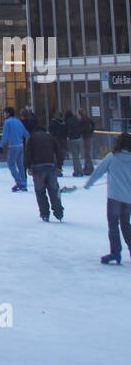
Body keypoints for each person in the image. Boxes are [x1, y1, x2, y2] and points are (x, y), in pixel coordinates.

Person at [84, 132, 131, 264]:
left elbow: (98, 171)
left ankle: (115, 252)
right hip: (128, 198)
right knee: (126, 223)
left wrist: (88, 184)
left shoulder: (112, 157)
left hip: (114, 197)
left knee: (113, 224)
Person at [24, 122, 64, 222]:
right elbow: (59, 151)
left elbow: (28, 153)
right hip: (50, 166)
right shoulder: (50, 137)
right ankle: (59, 212)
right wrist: (59, 165)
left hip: (37, 168)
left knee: (40, 191)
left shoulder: (32, 138)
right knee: (54, 190)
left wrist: (28, 166)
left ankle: (45, 214)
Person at [0, 106, 29, 192]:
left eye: (4, 113)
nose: (4, 114)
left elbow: (5, 135)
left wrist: (1, 145)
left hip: (13, 146)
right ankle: (23, 182)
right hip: (21, 145)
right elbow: (26, 133)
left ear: (8, 113)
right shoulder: (18, 121)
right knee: (20, 165)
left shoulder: (7, 122)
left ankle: (20, 182)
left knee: (11, 164)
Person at [65, 110, 84, 176]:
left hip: (72, 140)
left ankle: (78, 171)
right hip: (78, 139)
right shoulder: (76, 119)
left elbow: (69, 131)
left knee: (75, 157)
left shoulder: (68, 121)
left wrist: (68, 136)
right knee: (77, 156)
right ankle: (79, 170)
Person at [79, 108, 96, 175]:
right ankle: (86, 167)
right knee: (86, 153)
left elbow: (82, 128)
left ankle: (90, 168)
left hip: (86, 137)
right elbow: (93, 124)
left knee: (87, 153)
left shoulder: (82, 120)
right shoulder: (87, 118)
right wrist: (91, 131)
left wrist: (82, 132)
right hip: (87, 136)